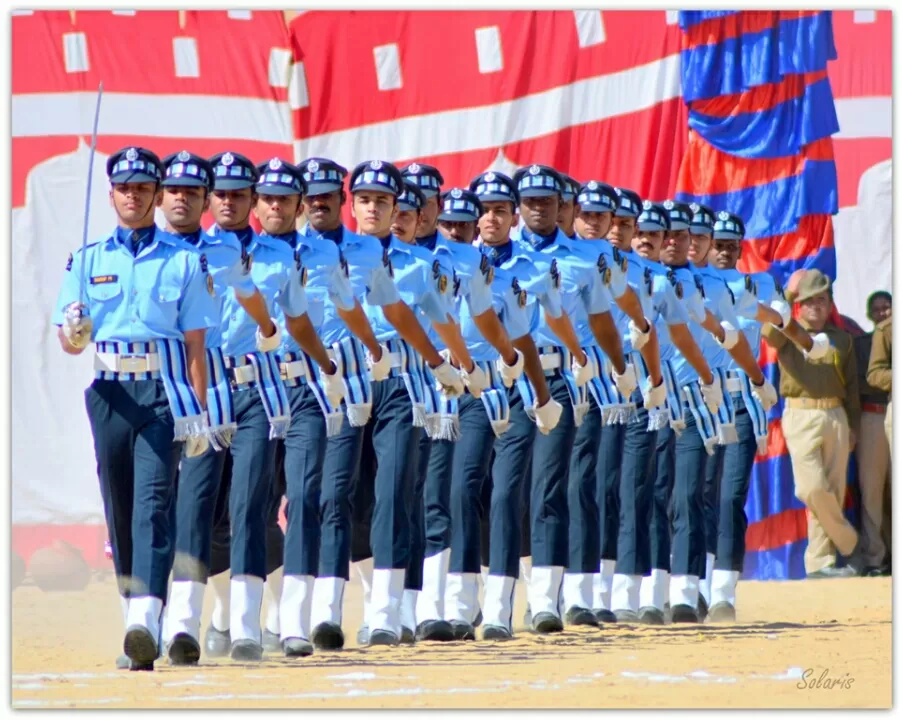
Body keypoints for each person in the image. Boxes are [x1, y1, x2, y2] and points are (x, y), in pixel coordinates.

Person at [53, 147, 218, 670]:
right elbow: (69, 339)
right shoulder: (86, 260)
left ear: (154, 195)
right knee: (119, 508)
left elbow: (196, 345)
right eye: (124, 187)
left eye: (143, 188)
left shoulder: (185, 260)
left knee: (152, 504)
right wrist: (74, 332)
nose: (133, 195)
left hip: (163, 394)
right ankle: (135, 617)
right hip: (109, 394)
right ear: (112, 195)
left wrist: (200, 411)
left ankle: (144, 618)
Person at [198, 151, 344, 662]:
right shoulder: (210, 250)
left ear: (301, 204)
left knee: (304, 498)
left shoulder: (324, 255)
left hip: (303, 388)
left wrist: (338, 372)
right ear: (256, 203)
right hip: (236, 390)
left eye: (288, 199)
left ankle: (295, 622)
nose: (277, 207)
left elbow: (346, 314)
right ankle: (227, 613)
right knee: (235, 509)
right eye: (270, 198)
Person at [254, 157, 392, 656]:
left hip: (340, 379)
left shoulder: (360, 251)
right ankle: (267, 608)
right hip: (265, 382)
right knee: (261, 501)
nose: (317, 203)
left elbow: (376, 309)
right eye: (307, 196)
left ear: (342, 198)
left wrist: (377, 355)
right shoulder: (261, 252)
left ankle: (322, 612)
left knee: (329, 496)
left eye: (325, 195)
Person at [155, 151, 281, 666]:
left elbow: (253, 298)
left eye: (235, 192)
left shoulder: (225, 251)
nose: (225, 201)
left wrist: (269, 329)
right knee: (194, 507)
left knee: (251, 505)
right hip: (194, 390)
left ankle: (248, 625)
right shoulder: (158, 251)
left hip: (250, 389)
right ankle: (184, 624)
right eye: (219, 192)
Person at [763, 270, 865, 578]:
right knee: (811, 487)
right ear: (799, 305)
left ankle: (820, 563)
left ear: (829, 303)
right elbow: (768, 334)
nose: (815, 307)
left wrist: (853, 425)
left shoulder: (842, 339)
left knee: (832, 491)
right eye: (808, 301)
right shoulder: (788, 332)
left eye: (821, 300)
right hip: (801, 414)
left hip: (836, 415)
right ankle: (849, 542)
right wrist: (790, 294)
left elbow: (851, 387)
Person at [861, 294, 893, 575]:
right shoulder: (864, 341)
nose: (883, 312)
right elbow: (868, 378)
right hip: (872, 416)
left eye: (887, 307)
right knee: (872, 491)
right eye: (877, 309)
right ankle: (875, 559)